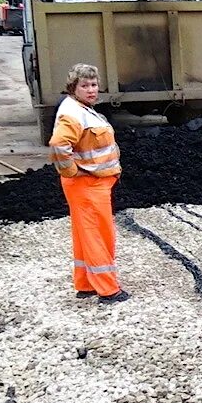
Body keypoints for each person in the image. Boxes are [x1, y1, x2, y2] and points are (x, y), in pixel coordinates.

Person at [49, 64, 128, 303]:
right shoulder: (73, 113)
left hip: (90, 185)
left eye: (93, 85)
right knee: (98, 235)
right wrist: (72, 172)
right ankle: (107, 289)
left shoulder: (81, 109)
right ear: (74, 88)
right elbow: (58, 145)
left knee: (85, 234)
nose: (91, 90)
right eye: (85, 86)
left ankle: (85, 284)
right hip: (88, 185)